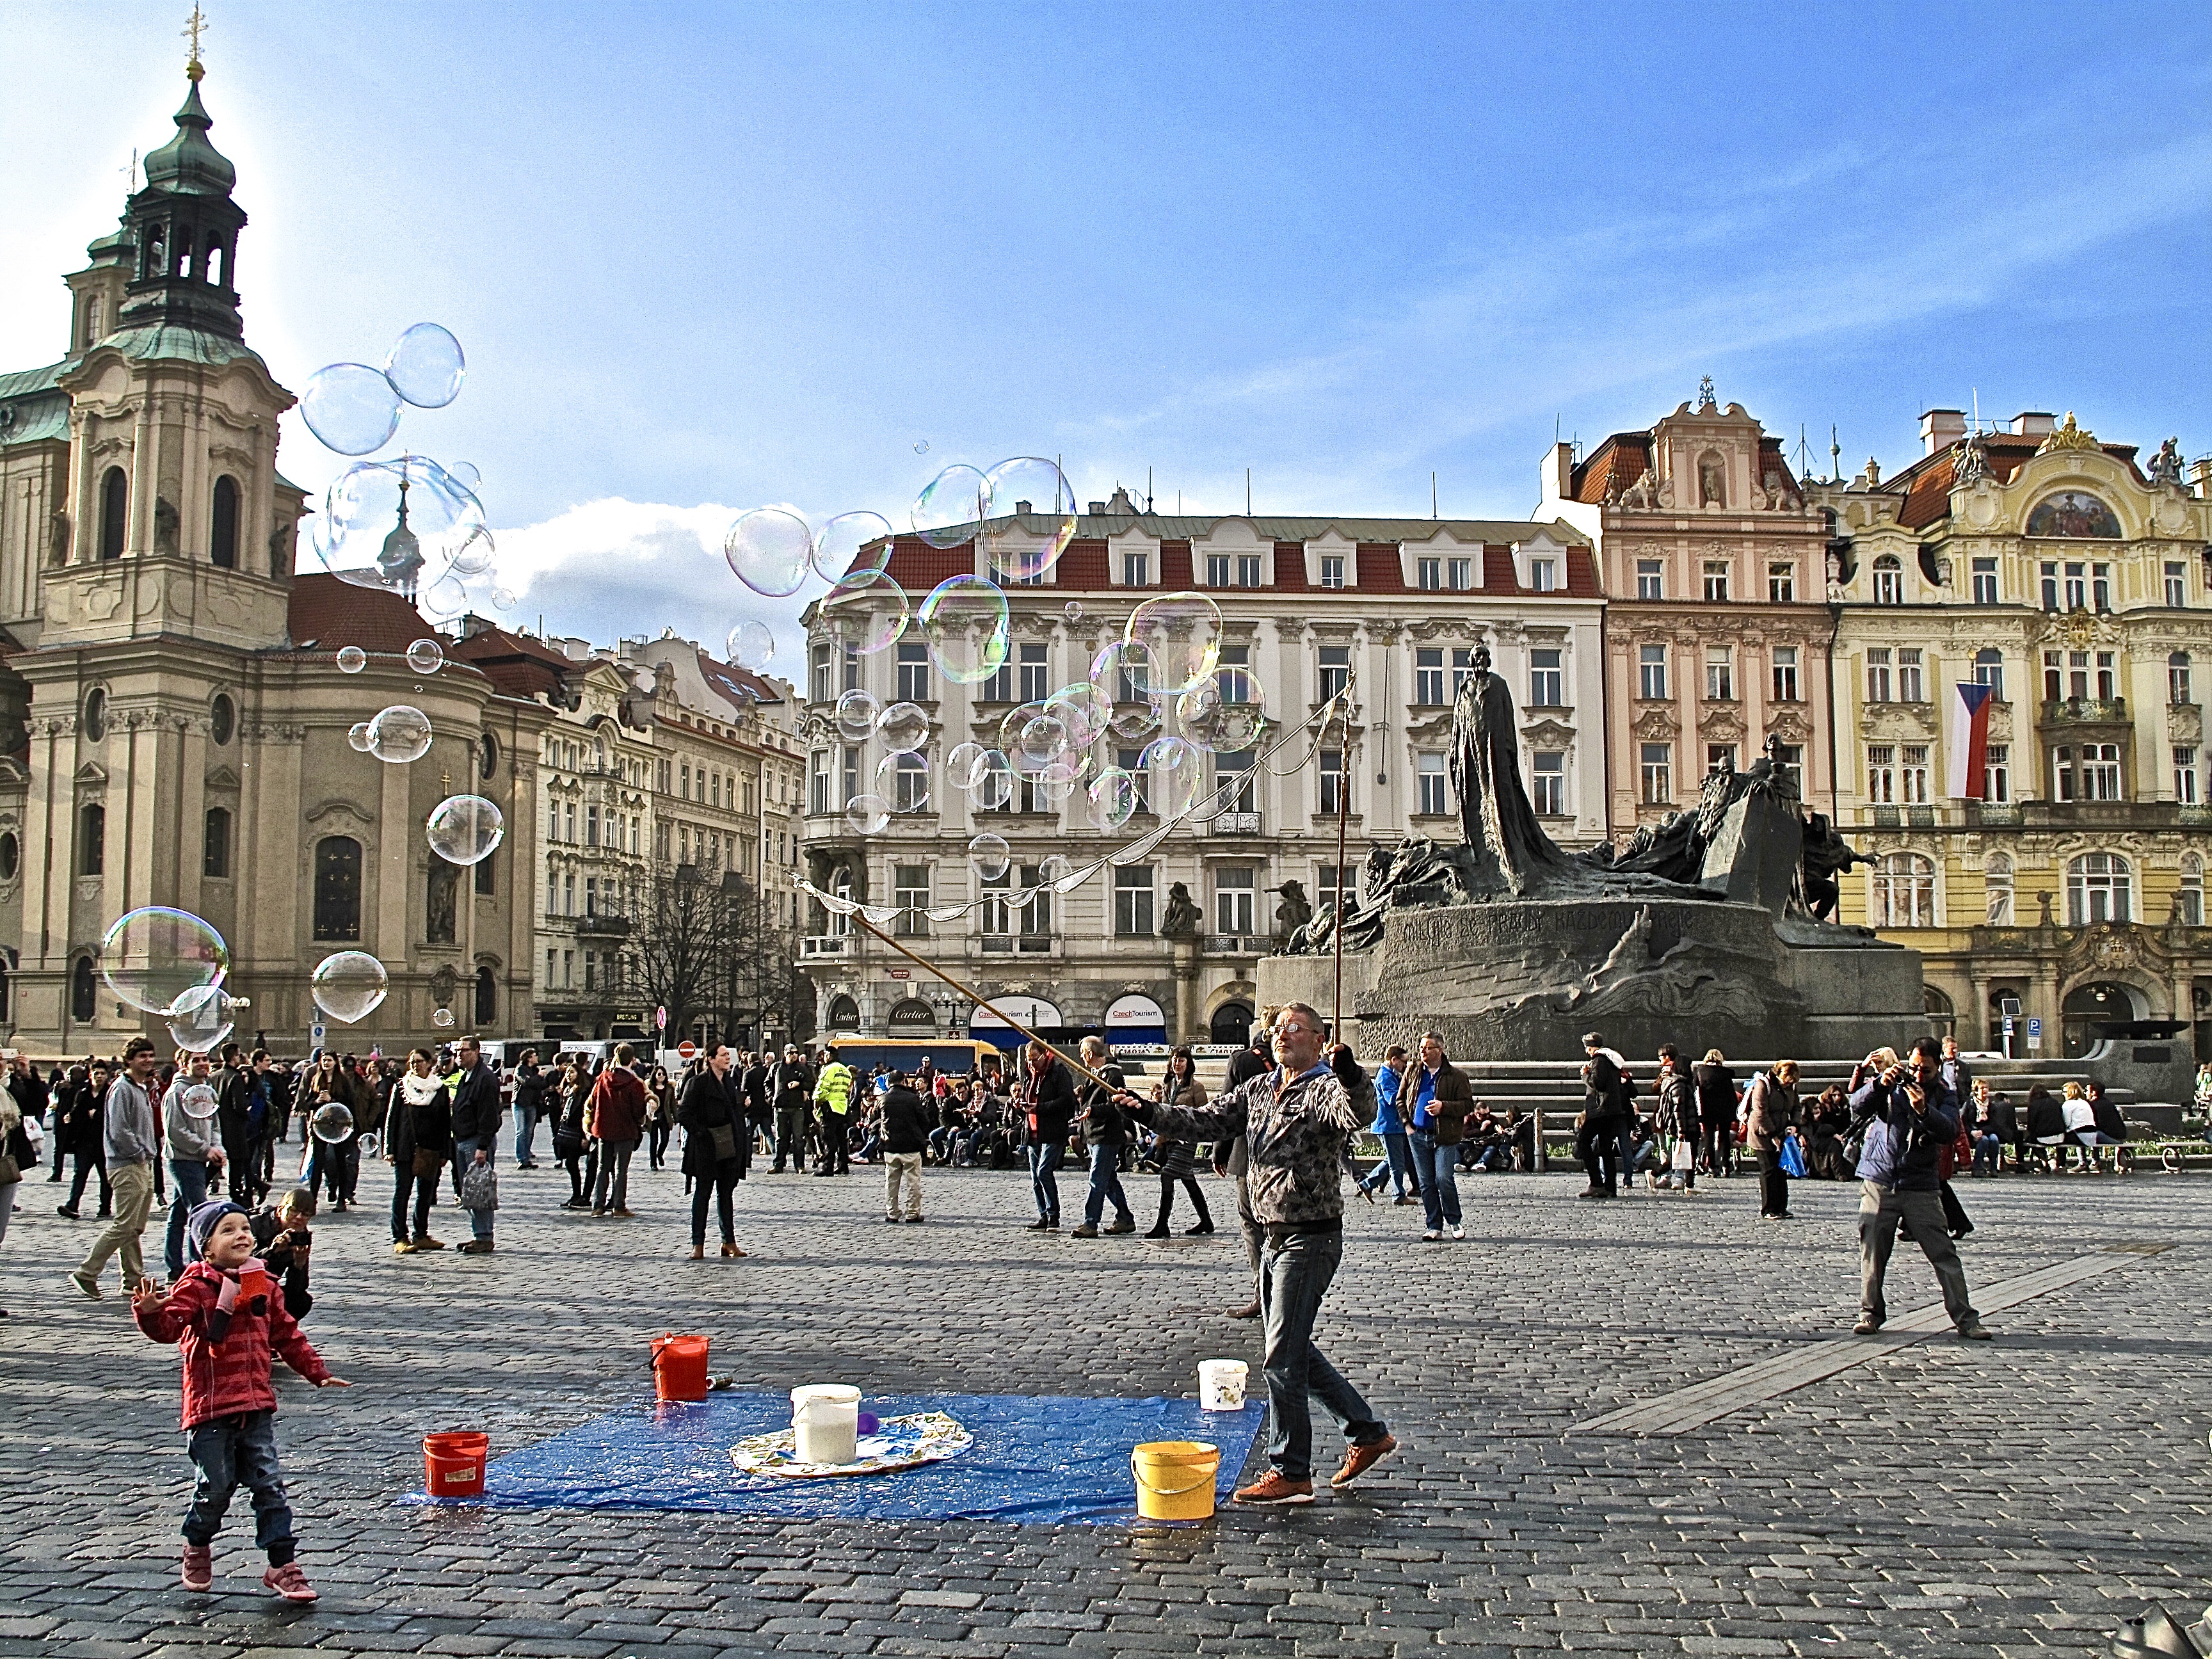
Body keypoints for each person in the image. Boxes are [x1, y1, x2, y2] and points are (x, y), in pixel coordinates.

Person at [1122, 1004, 1395, 1505]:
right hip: (1272, 1235)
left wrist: (1352, 1073)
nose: (1281, 1035)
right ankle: (1365, 1431)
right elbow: (1205, 1121)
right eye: (1275, 1029)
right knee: (1292, 1350)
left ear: (1319, 1038)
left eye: (1293, 1029)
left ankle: (1291, 1471)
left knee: (1280, 1357)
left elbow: (1359, 1112)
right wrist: (1148, 1113)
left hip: (1310, 1237)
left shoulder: (1323, 1088)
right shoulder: (1259, 1089)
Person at [132, 1198, 349, 1602]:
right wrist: (149, 1312)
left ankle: (283, 1565)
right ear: (207, 1247)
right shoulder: (196, 1285)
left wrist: (317, 1372)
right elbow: (168, 1327)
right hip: (211, 1410)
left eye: (245, 1228)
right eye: (228, 1230)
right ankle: (197, 1543)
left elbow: (286, 1335)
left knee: (269, 1486)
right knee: (214, 1489)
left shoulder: (262, 1283)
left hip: (256, 1407)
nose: (242, 1235)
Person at [1847, 1037, 1992, 1340]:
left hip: (1920, 1184)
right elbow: (1857, 1105)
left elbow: (1950, 1131)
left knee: (1943, 1253)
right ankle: (1870, 1314)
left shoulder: (1945, 1094)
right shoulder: (1891, 1084)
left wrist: (1925, 1111)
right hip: (1881, 1178)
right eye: (1913, 1066)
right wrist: (1879, 1085)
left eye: (1925, 1070)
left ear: (1938, 1067)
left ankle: (1966, 1319)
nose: (1917, 1074)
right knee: (1872, 1253)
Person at [72, 1038, 164, 1299]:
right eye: (142, 1056)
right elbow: (119, 1129)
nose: (148, 1060)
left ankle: (133, 1281)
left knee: (135, 1227)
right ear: (130, 1061)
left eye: (150, 1055)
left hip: (143, 1163)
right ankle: (87, 1272)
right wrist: (137, 1152)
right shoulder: (122, 1088)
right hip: (127, 1164)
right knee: (124, 1225)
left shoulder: (142, 1087)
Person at [679, 1044, 749, 1258]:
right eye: (723, 1055)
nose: (728, 1058)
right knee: (702, 1194)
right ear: (711, 1059)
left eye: (729, 1055)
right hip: (706, 1148)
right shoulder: (698, 1083)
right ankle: (697, 1244)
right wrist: (702, 1133)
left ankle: (728, 1242)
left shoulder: (730, 1082)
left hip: (728, 1144)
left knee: (726, 1195)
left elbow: (732, 1112)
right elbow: (683, 1113)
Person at [164, 1055, 227, 1281]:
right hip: (183, 1160)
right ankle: (197, 1266)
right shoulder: (176, 1093)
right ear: (184, 1064)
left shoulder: (207, 1090)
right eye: (196, 1059)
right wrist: (205, 1149)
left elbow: (215, 1124)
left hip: (202, 1159)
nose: (203, 1063)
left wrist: (218, 1149)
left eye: (205, 1059)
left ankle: (175, 1268)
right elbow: (176, 1132)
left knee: (179, 1214)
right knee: (199, 1212)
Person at [1407, 1032, 1472, 1239]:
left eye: (1427, 1047)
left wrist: (1444, 1107)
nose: (1422, 1051)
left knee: (1443, 1178)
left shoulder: (1457, 1076)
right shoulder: (1413, 1071)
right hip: (1417, 1135)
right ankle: (1434, 1225)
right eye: (1421, 1047)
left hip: (1443, 1136)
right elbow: (1401, 1099)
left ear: (1440, 1050)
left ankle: (1455, 1221)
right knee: (1426, 1182)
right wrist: (1407, 1124)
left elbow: (1467, 1105)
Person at [1070, 1036, 1136, 1238]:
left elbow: (1116, 1106)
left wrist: (1092, 1109)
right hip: (1094, 1134)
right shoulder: (1096, 1074)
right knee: (1108, 1181)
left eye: (1083, 1053)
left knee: (1097, 1179)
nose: (1082, 1057)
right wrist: (1083, 1099)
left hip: (1106, 1136)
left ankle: (1091, 1223)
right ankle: (1125, 1218)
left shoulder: (1112, 1076)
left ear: (1090, 1053)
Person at [387, 1048, 451, 1254]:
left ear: (430, 1063)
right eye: (412, 1062)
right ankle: (400, 1237)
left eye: (420, 1061)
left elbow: (444, 1122)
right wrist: (390, 1149)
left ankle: (421, 1234)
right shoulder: (401, 1087)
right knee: (402, 1192)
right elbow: (392, 1120)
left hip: (430, 1149)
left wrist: (444, 1152)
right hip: (406, 1148)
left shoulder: (440, 1089)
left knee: (426, 1193)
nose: (415, 1065)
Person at [1145, 1047, 1214, 1237]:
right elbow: (1164, 1112)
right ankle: (1206, 1221)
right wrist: (1161, 1135)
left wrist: (1195, 1132)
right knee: (1188, 1179)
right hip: (1172, 1138)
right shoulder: (1168, 1086)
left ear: (1188, 1064)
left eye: (1182, 1060)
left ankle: (1162, 1225)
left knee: (1167, 1175)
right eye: (1175, 1060)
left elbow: (1204, 1114)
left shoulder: (1196, 1087)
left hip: (1188, 1139)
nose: (1177, 1063)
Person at [1018, 1038, 1078, 1232]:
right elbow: (1029, 1098)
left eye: (1034, 1059)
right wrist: (1022, 1106)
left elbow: (1067, 1101)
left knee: (1044, 1171)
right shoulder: (1029, 1074)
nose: (1031, 1063)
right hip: (1033, 1131)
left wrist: (1040, 1108)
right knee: (1035, 1178)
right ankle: (1043, 1214)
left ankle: (1054, 1215)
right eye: (1028, 1060)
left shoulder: (1058, 1073)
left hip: (1053, 1130)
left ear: (1045, 1055)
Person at [446, 1038, 501, 1254]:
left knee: (480, 1190)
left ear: (477, 1052)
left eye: (465, 1050)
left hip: (476, 1140)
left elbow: (490, 1115)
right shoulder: (465, 1076)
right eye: (457, 1050)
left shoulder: (485, 1078)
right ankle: (479, 1233)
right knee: (468, 1191)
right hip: (462, 1138)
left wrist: (483, 1146)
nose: (459, 1054)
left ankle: (484, 1236)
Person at [586, 1046, 648, 1217]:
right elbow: (638, 1110)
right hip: (625, 1130)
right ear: (632, 1059)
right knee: (621, 1170)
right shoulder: (634, 1083)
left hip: (604, 1129)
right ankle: (619, 1206)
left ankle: (598, 1206)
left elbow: (593, 1102)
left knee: (602, 1168)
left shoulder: (603, 1079)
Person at [1743, 1060, 1801, 1219]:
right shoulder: (1763, 1085)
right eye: (1786, 1079)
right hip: (1762, 1134)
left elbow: (1796, 1107)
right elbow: (1760, 1112)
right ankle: (1768, 1208)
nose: (1788, 1083)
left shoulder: (1792, 1087)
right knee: (1769, 1171)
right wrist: (1772, 1135)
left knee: (1782, 1170)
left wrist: (1795, 1125)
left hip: (1783, 1132)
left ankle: (1781, 1207)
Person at [1575, 1033, 1630, 1200]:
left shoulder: (1600, 1060)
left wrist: (1585, 1074)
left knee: (1584, 1142)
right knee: (1606, 1149)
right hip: (1611, 1110)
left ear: (1593, 1047)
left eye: (1587, 1047)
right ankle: (1610, 1187)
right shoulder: (1611, 1060)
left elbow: (1597, 1083)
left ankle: (1596, 1183)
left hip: (1600, 1111)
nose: (1586, 1051)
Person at [56, 1062, 114, 1219]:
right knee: (80, 1173)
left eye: (102, 1073)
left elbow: (114, 1117)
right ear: (91, 1075)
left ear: (107, 1076)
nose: (99, 1076)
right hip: (84, 1142)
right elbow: (76, 1113)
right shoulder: (82, 1093)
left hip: (104, 1143)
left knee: (105, 1177)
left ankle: (105, 1208)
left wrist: (97, 1115)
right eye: (96, 1073)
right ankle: (72, 1205)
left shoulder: (110, 1094)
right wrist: (70, 1118)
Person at [250, 1188, 317, 1320]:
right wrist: (272, 1251)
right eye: (293, 1210)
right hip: (243, 1283)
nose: (299, 1218)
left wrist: (299, 1265)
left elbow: (297, 1289)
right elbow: (241, 1263)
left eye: (305, 1215)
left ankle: (278, 1334)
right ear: (281, 1210)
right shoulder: (256, 1224)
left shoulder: (299, 1236)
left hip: (269, 1285)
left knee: (301, 1301)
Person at [878, 1070, 931, 1224]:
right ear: (904, 1081)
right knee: (913, 1181)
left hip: (890, 1146)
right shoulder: (912, 1099)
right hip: (911, 1146)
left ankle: (892, 1213)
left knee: (891, 1182)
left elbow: (877, 1119)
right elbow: (925, 1120)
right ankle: (912, 1213)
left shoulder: (883, 1099)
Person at [1653, 1045, 1699, 1194]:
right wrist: (1681, 1131)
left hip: (1689, 1123)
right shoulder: (1679, 1084)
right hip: (1686, 1125)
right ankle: (1655, 1173)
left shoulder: (1683, 1082)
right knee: (1681, 1156)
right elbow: (1678, 1109)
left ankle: (1689, 1185)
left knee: (1687, 1156)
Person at [1694, 1048, 1739, 1177]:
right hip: (1724, 1109)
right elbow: (1731, 1094)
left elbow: (1696, 1092)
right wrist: (1734, 1111)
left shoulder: (1700, 1072)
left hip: (1707, 1109)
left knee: (1709, 1137)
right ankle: (1725, 1166)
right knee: (1724, 1137)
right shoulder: (1725, 1073)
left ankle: (1712, 1168)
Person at [769, 1046, 813, 1173]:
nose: (793, 1055)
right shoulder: (777, 1067)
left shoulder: (802, 1068)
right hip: (780, 1107)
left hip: (797, 1107)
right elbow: (767, 1082)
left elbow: (810, 1083)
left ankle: (799, 1165)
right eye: (791, 1053)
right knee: (780, 1138)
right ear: (785, 1054)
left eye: (795, 1053)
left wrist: (799, 1084)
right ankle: (778, 1164)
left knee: (798, 1138)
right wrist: (771, 1096)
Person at [812, 1048, 854, 1176]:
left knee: (828, 1138)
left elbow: (823, 1087)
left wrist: (816, 1101)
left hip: (830, 1107)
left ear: (829, 1055)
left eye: (824, 1055)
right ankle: (843, 1166)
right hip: (842, 1107)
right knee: (841, 1139)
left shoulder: (829, 1069)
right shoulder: (845, 1070)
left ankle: (827, 1166)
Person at [511, 1051, 545, 1169]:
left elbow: (540, 1085)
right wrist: (539, 1077)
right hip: (520, 1103)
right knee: (520, 1131)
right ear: (529, 1058)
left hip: (532, 1104)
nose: (537, 1057)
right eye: (535, 1055)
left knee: (529, 1131)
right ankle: (521, 1159)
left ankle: (527, 1158)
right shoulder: (520, 1069)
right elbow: (527, 1082)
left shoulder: (535, 1070)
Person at [644, 1065, 677, 1171]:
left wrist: (676, 1117)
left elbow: (673, 1104)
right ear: (655, 1075)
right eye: (659, 1074)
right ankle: (653, 1163)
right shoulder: (650, 1088)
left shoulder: (669, 1088)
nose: (661, 1076)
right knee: (654, 1141)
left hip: (665, 1117)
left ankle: (660, 1154)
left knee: (665, 1139)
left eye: (663, 1074)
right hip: (653, 1117)